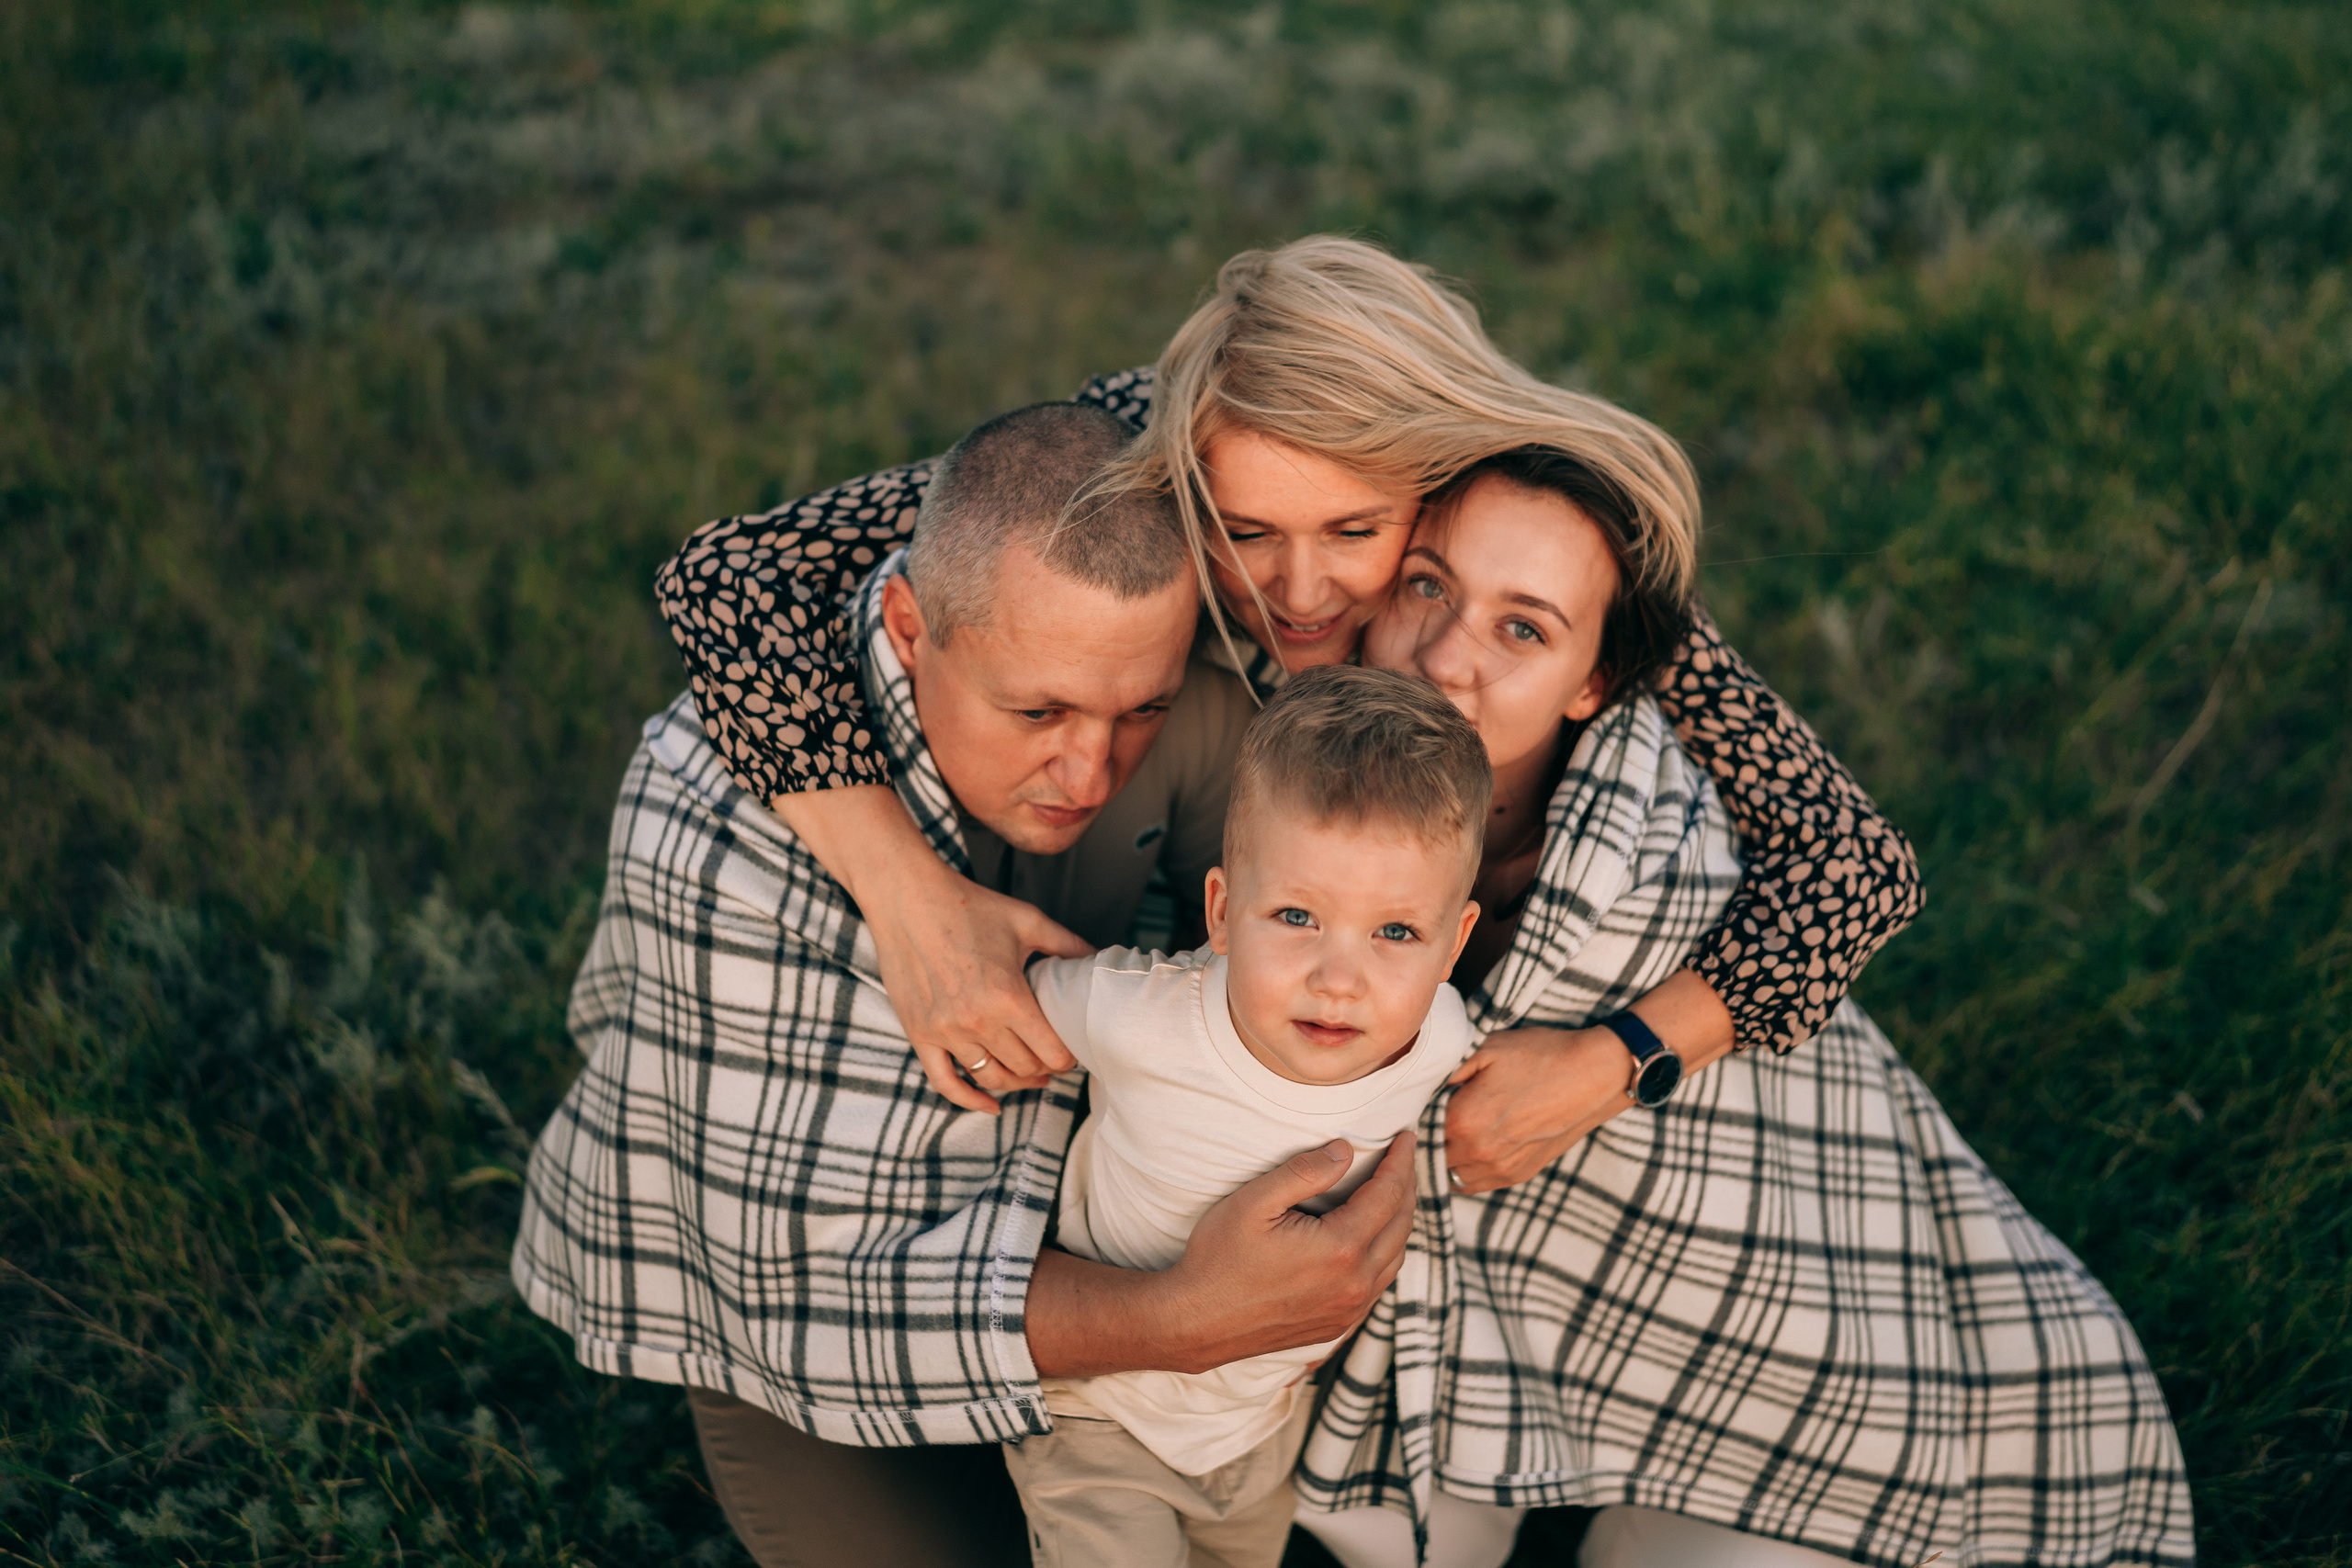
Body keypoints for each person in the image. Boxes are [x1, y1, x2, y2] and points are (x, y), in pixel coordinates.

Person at [654, 236, 2194, 1565]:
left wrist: (1612, 1060)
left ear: (1431, 477)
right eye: (1245, 533)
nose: (1300, 592)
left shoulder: (1515, 514)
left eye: (1354, 535)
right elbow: (725, 578)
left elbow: (1854, 867)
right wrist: (906, 892)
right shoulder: (1149, 436)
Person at [514, 400, 1419, 1568]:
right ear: (907, 624)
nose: (1089, 769)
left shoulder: (1199, 694)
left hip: (1096, 1229)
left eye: (1132, 709)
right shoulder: (725, 826)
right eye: (1036, 711)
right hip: (806, 1310)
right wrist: (1182, 1320)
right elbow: (804, 1297)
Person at [1008, 667, 1492, 1568]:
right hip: (1102, 1413)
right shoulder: (1139, 1016)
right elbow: (1007, 994)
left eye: (1394, 933)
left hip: (1261, 1421)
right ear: (1223, 913)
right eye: (1298, 915)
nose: (1338, 978)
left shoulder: (1440, 1038)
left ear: (1454, 944)